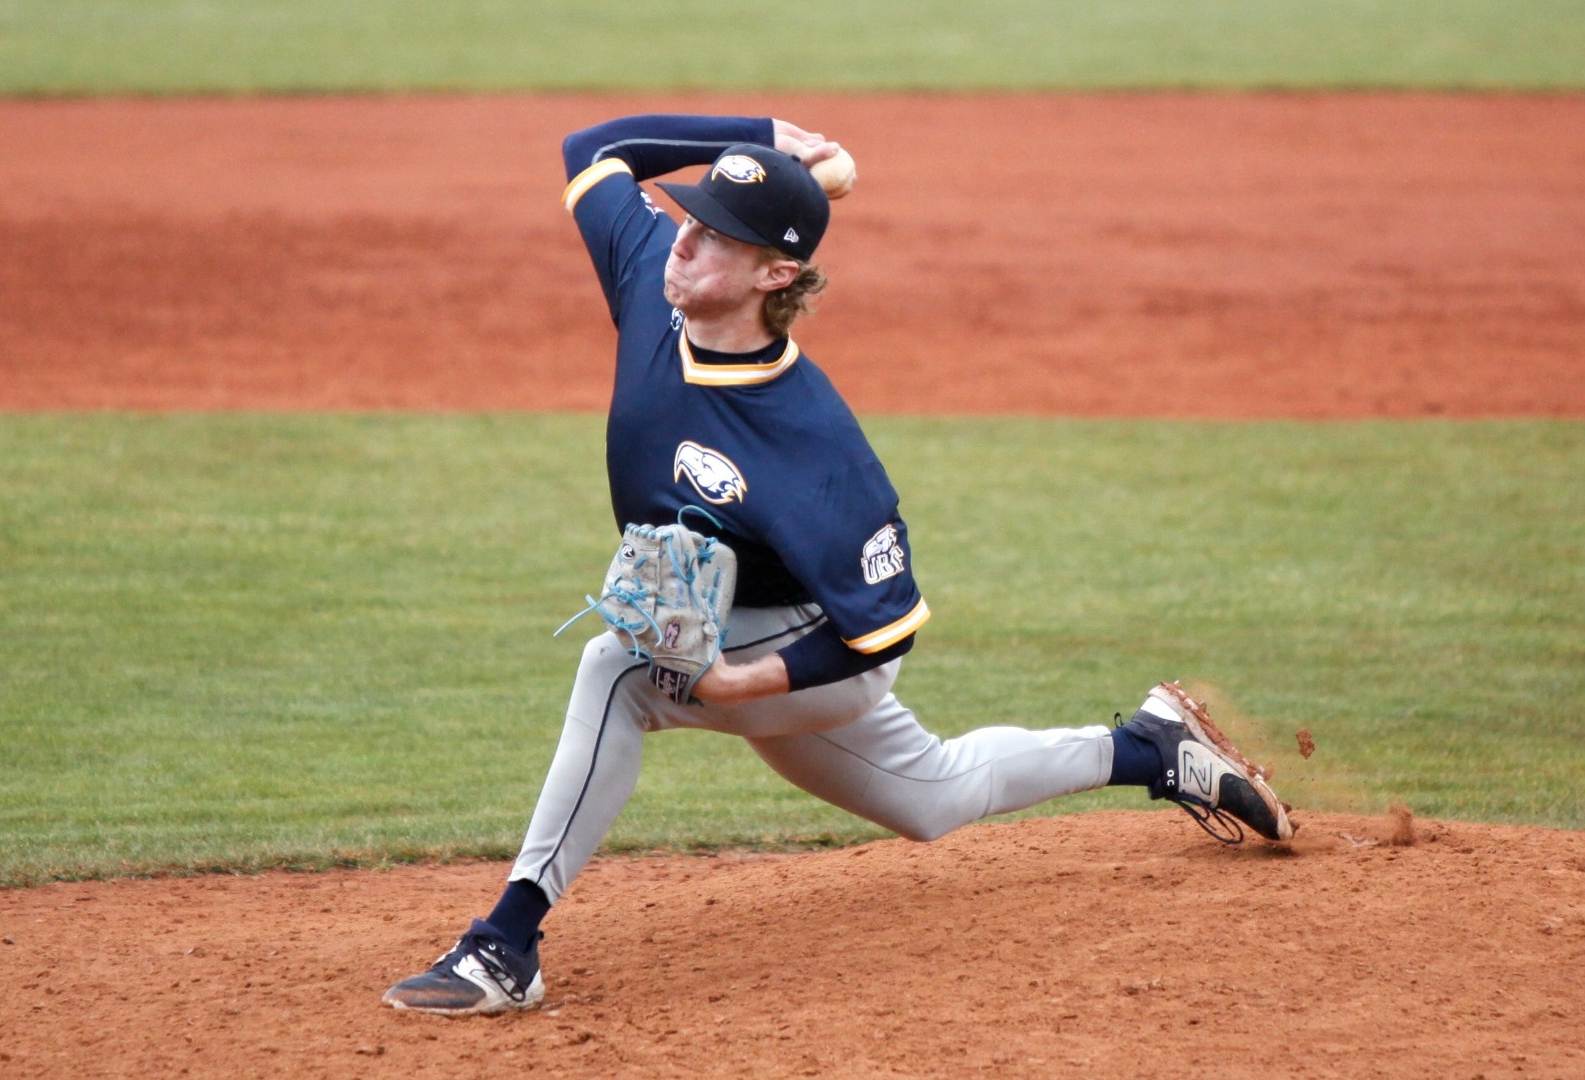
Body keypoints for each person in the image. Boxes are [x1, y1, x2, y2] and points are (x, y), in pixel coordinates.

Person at [382, 114, 1293, 1016]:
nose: (683, 240)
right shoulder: (652, 288)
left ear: (775, 275)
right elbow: (595, 152)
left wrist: (740, 684)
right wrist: (765, 131)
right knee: (933, 796)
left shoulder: (815, 447)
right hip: (741, 630)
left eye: (716, 234)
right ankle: (1152, 747)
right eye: (688, 217)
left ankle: (505, 945)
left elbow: (877, 633)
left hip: (820, 648)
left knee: (616, 667)